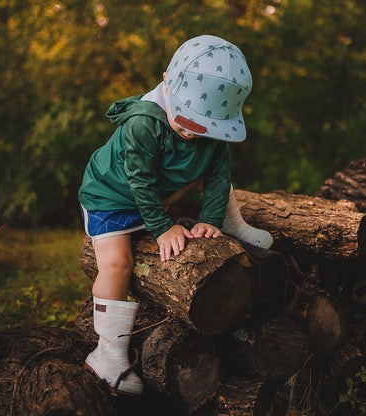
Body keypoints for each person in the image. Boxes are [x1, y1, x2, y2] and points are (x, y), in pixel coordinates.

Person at [78, 34, 273, 396]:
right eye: (184, 121)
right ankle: (107, 354)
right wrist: (163, 228)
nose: (189, 132)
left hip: (163, 187)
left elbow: (217, 174)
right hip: (114, 198)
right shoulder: (143, 123)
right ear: (167, 80)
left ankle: (232, 221)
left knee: (208, 166)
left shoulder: (209, 131)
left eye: (203, 127)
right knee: (118, 262)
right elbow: (140, 182)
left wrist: (212, 220)